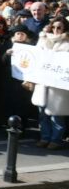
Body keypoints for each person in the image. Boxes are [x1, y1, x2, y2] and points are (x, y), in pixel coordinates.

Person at [30, 17, 69, 150]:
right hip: (43, 82)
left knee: (56, 114)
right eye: (54, 27)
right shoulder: (43, 40)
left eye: (59, 28)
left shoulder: (67, 43)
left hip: (58, 86)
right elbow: (34, 57)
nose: (56, 30)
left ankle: (56, 139)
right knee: (42, 113)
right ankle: (45, 137)